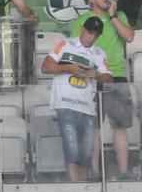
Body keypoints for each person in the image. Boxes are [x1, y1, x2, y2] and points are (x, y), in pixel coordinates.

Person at [73, 0, 135, 181]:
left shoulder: (119, 16)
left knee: (120, 126)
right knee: (93, 127)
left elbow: (129, 37)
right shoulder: (82, 20)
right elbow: (77, 48)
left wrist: (113, 16)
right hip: (93, 77)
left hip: (117, 76)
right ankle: (94, 172)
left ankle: (124, 172)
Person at [43, 16, 112, 182]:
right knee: (72, 148)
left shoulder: (99, 53)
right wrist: (69, 68)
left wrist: (95, 74)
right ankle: (75, 185)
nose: (91, 37)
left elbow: (109, 79)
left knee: (86, 152)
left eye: (95, 34)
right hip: (65, 103)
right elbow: (45, 67)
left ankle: (81, 185)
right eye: (89, 32)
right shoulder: (65, 44)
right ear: (82, 29)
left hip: (88, 107)